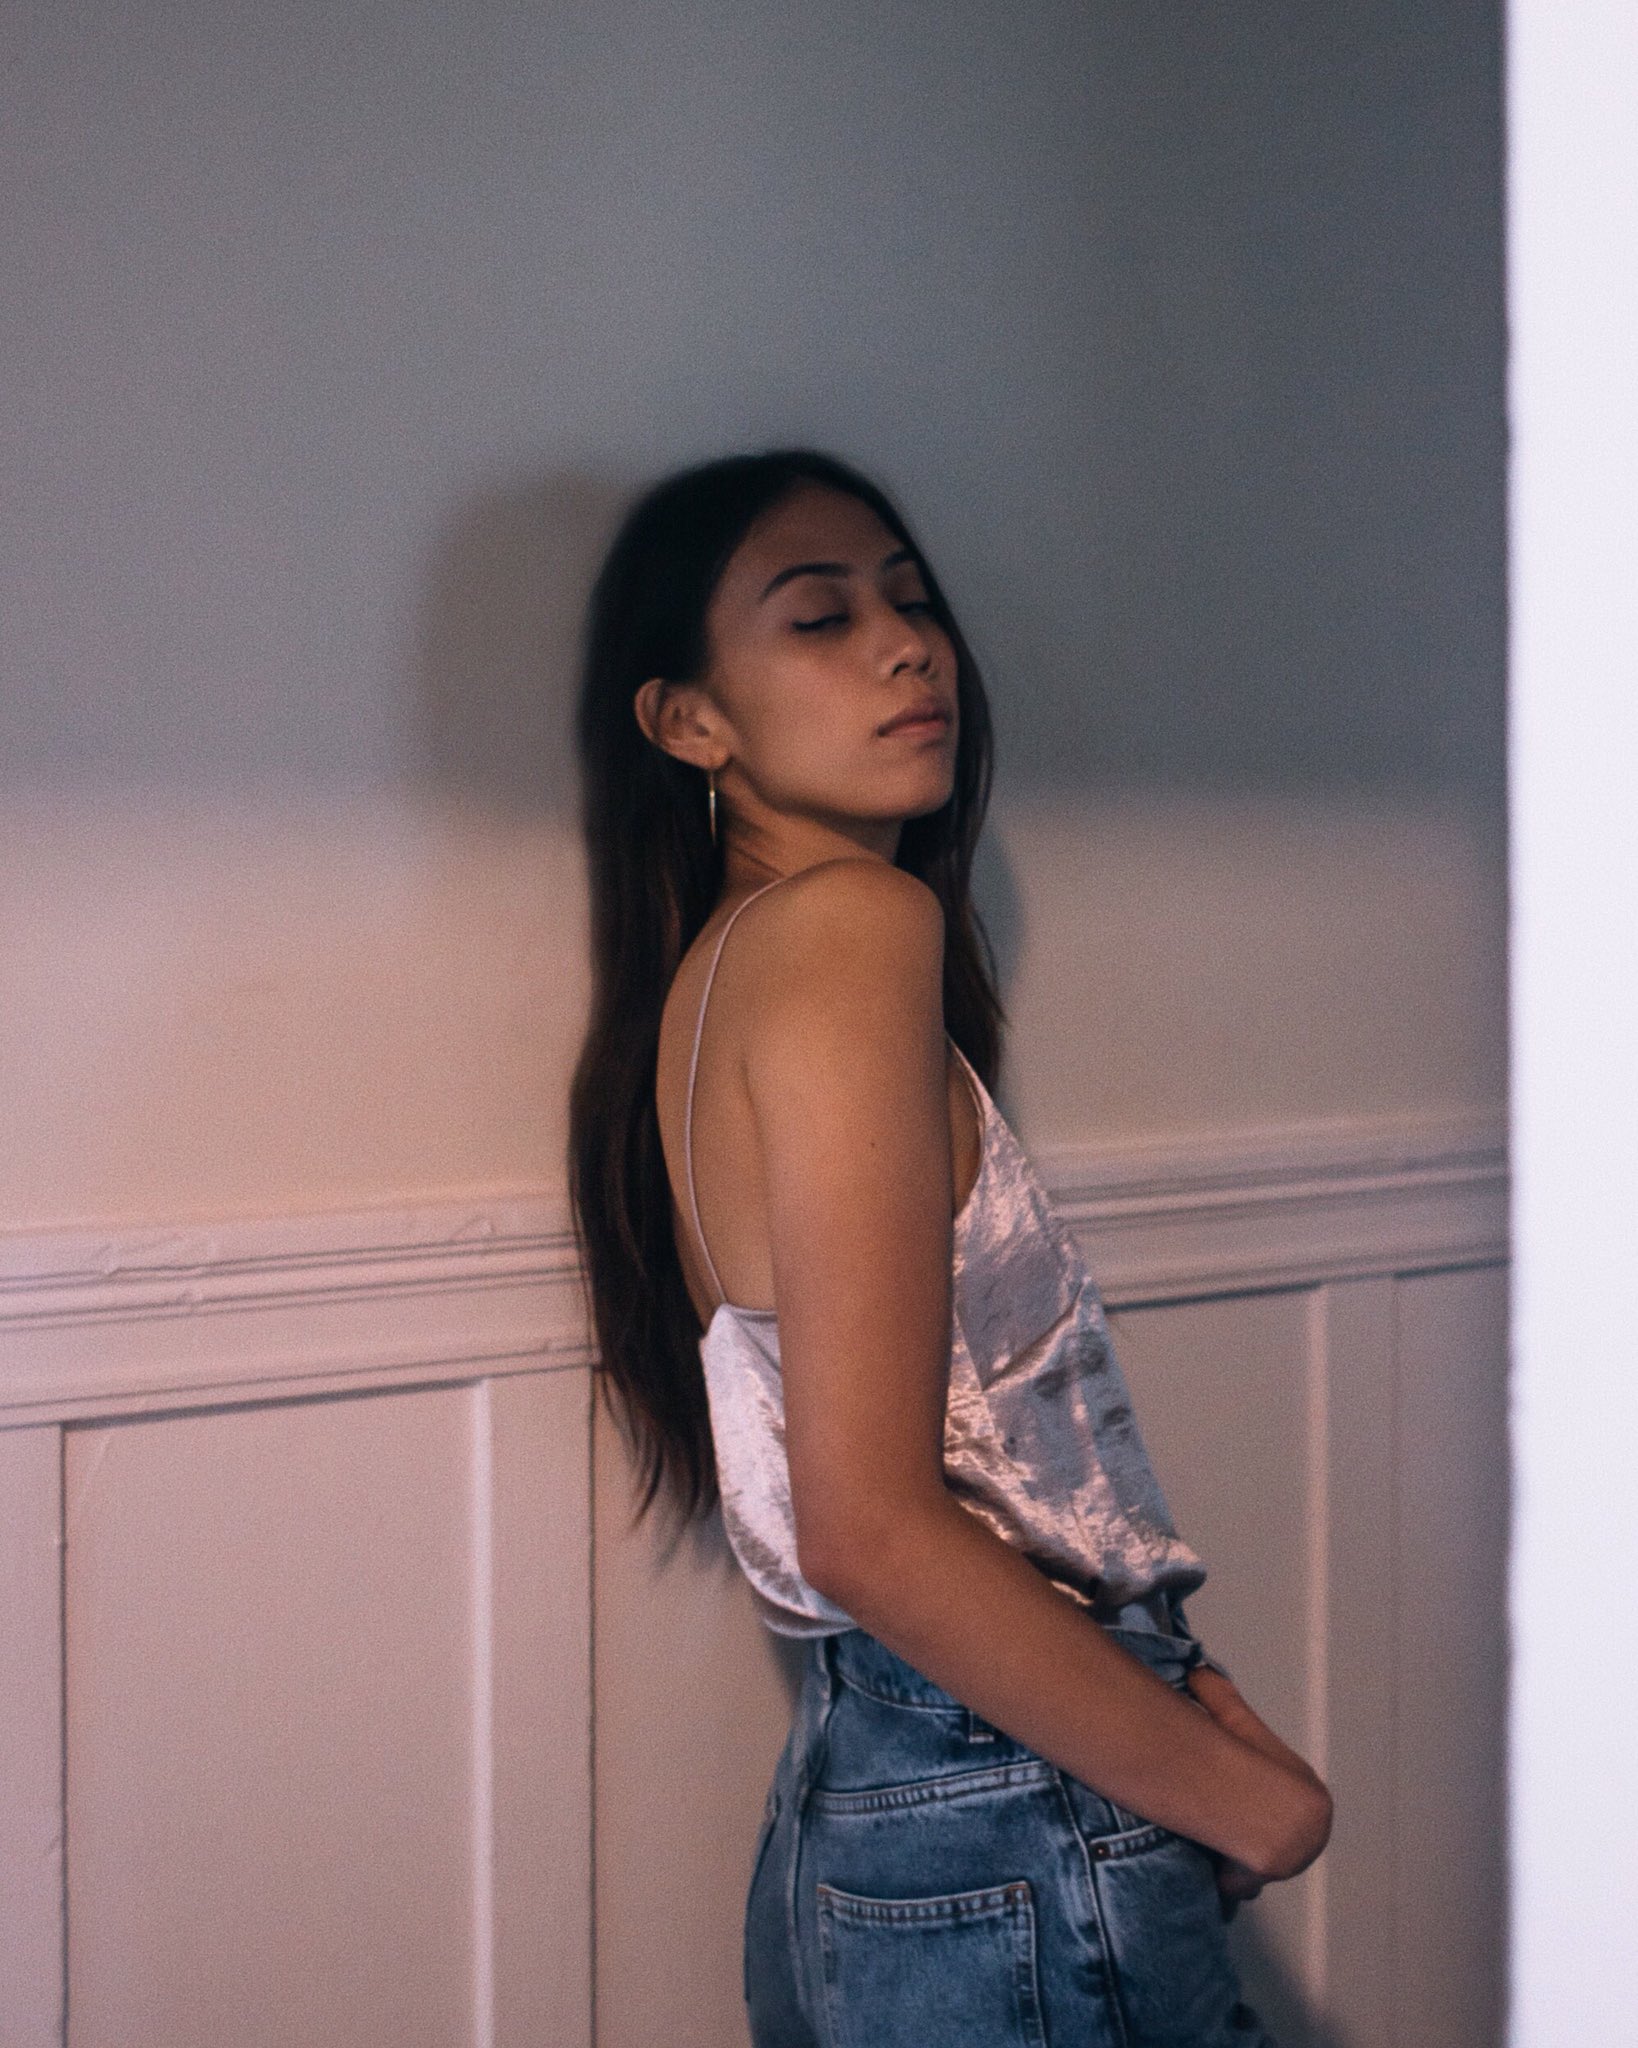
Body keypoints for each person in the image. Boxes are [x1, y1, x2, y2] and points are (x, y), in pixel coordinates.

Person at [568, 448, 1332, 2047]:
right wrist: (1250, 1803)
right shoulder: (853, 928)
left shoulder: (718, 971)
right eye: (820, 617)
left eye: (910, 601)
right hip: (999, 1803)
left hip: (865, 1801)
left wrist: (1174, 1707)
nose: (907, 647)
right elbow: (866, 1526)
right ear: (689, 723)